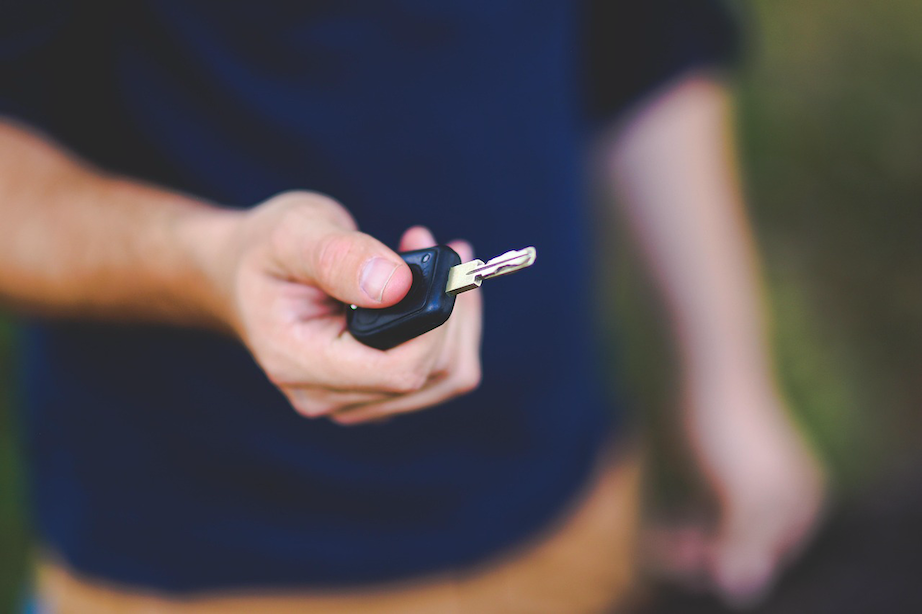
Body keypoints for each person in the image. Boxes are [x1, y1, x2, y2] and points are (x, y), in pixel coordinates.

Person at [0, 1, 823, 611]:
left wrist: (729, 377)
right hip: (217, 569)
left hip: (576, 515)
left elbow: (643, 32)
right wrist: (215, 262)